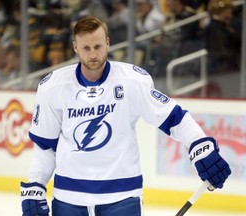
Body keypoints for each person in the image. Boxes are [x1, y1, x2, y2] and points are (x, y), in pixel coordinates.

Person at [20, 16, 231, 216]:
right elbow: (46, 147)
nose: (93, 54)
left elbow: (175, 118)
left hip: (122, 198)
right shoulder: (53, 86)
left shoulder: (132, 81)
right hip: (68, 199)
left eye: (98, 46)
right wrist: (35, 184)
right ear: (75, 47)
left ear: (108, 43)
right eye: (86, 48)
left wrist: (200, 146)